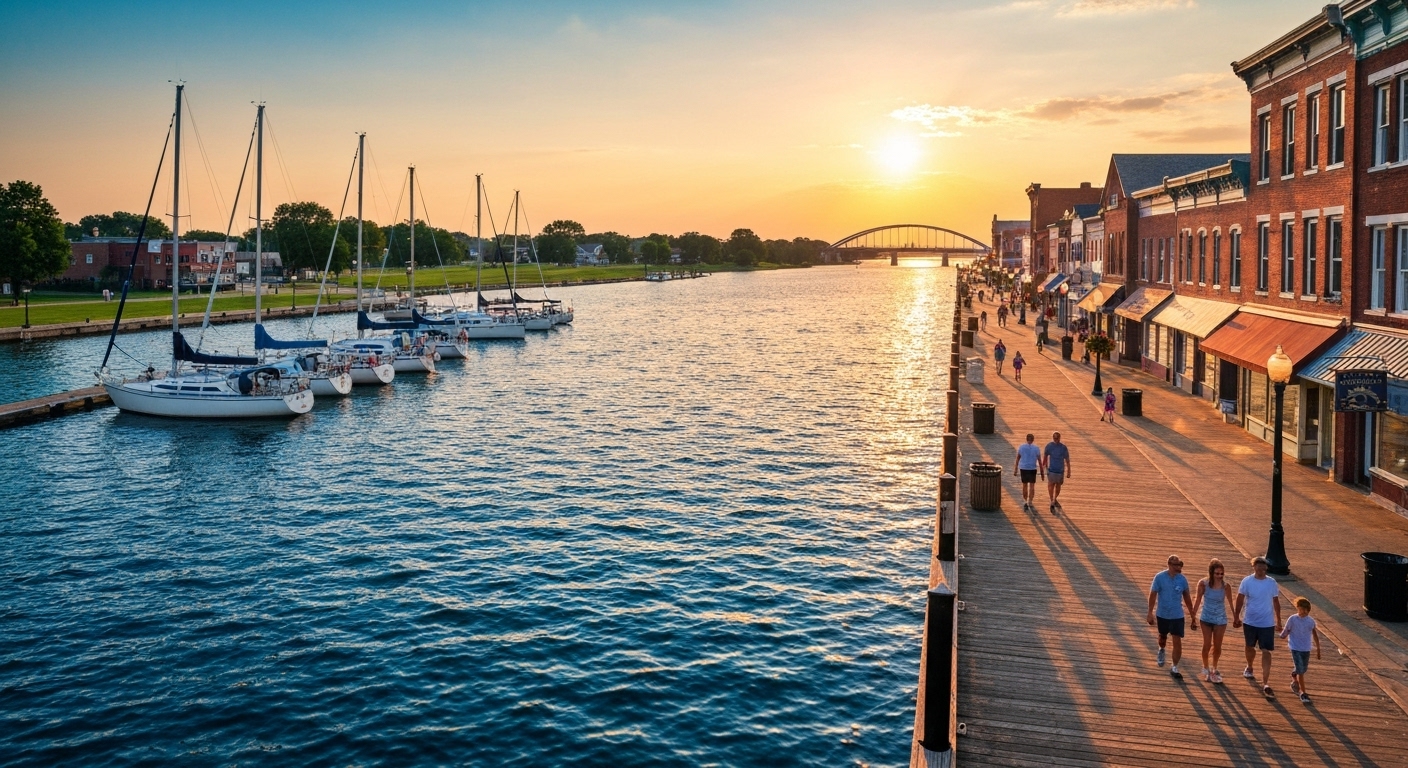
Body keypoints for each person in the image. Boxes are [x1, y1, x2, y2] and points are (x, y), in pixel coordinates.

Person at [1233, 555, 1283, 698]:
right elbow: (1240, 599)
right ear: (1253, 567)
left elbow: (1276, 602)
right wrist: (1236, 616)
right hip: (1250, 621)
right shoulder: (1247, 581)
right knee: (1250, 647)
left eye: (1263, 567)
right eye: (1258, 567)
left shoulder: (1271, 583)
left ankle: (1265, 682)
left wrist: (1278, 620)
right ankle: (1249, 665)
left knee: (1266, 651)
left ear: (1266, 568)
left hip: (1267, 623)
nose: (1260, 570)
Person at [1147, 555, 1196, 680]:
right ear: (1169, 565)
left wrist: (1192, 616)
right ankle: (1162, 649)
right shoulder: (1159, 578)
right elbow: (1153, 595)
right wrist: (1150, 612)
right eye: (1176, 565)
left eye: (1180, 565)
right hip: (1162, 614)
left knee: (1177, 640)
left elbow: (1187, 598)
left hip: (1177, 615)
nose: (1179, 567)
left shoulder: (1182, 580)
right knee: (1162, 636)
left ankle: (1174, 666)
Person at [1192, 558, 1236, 683]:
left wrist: (1235, 616)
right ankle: (1205, 667)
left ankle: (1214, 669)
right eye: (1217, 573)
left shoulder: (1226, 586)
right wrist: (1193, 617)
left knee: (1217, 647)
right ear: (1211, 573)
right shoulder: (1203, 584)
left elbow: (1230, 602)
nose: (1219, 576)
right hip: (1206, 617)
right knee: (1207, 644)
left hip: (1220, 618)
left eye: (1221, 574)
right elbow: (1198, 600)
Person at [1279, 597, 1321, 704]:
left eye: (1305, 610)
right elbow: (1287, 630)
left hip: (1306, 648)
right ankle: (1303, 693)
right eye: (1300, 609)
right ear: (1297, 608)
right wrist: (1282, 635)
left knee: (1303, 668)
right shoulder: (1293, 619)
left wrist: (1318, 649)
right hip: (1295, 647)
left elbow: (1314, 634)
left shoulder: (1310, 621)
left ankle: (1294, 675)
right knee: (1301, 671)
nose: (1302, 612)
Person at [1041, 431, 1070, 514]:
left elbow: (1067, 460)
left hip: (1060, 470)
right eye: (1054, 438)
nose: (1056, 439)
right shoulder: (1049, 446)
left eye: (1057, 438)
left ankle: (1054, 498)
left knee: (1058, 486)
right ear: (1053, 438)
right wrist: (1044, 466)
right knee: (1050, 485)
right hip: (1052, 469)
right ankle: (1052, 500)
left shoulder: (1063, 448)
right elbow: (1045, 456)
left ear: (1059, 438)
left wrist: (1069, 470)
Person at [1014, 433, 1042, 512]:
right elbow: (1039, 460)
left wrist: (1016, 469)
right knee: (1032, 485)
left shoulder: (1022, 447)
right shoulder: (1036, 448)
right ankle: (1030, 501)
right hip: (1032, 468)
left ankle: (1025, 500)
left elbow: (1018, 458)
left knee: (1024, 485)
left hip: (1023, 468)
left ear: (1026, 439)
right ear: (1033, 440)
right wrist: (1042, 472)